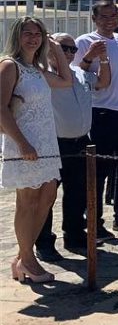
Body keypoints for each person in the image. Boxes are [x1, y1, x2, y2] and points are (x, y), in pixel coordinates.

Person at [1, 18, 73, 283]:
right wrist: (21, 143)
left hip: (45, 142)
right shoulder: (10, 66)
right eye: (27, 33)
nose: (33, 38)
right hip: (24, 143)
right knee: (27, 201)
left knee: (48, 195)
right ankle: (28, 259)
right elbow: (1, 109)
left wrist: (55, 49)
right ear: (17, 37)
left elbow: (67, 80)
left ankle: (22, 257)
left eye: (37, 34)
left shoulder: (36, 69)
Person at [35, 33, 110, 258]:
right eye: (62, 48)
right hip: (54, 144)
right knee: (46, 196)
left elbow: (103, 83)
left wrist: (104, 59)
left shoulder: (79, 73)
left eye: (72, 49)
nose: (68, 53)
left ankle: (75, 236)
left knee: (77, 194)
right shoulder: (42, 75)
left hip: (80, 143)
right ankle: (44, 243)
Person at [75, 0, 118, 233]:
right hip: (102, 112)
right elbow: (76, 77)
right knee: (100, 170)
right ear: (94, 19)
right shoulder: (84, 42)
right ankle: (94, 222)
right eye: (104, 17)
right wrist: (89, 56)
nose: (109, 20)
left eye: (113, 15)